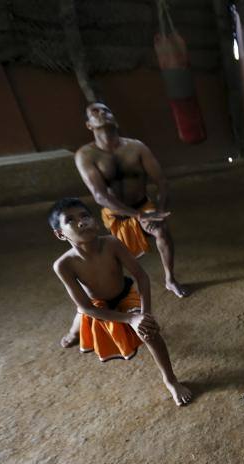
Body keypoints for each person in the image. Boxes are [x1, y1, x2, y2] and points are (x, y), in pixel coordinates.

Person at [49, 198, 193, 406]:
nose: (81, 222)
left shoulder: (112, 243)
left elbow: (141, 277)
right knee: (82, 317)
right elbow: (85, 307)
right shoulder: (63, 265)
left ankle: (170, 380)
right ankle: (73, 333)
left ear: (96, 221)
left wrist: (144, 314)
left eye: (85, 216)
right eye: (70, 220)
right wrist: (129, 318)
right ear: (60, 234)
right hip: (96, 305)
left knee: (149, 331)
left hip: (124, 294)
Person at [74, 102, 188, 304]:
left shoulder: (136, 147)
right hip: (115, 213)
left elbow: (161, 181)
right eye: (95, 112)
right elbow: (100, 196)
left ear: (114, 119)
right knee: (114, 255)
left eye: (107, 110)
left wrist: (159, 211)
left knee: (162, 231)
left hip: (143, 205)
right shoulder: (85, 155)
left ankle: (170, 279)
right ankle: (114, 293)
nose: (102, 113)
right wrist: (139, 216)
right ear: (89, 125)